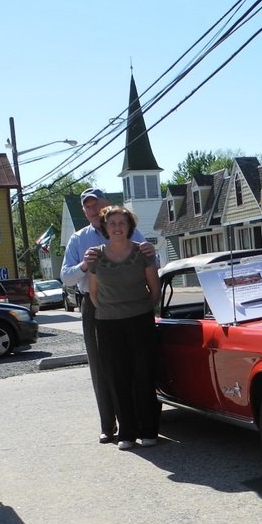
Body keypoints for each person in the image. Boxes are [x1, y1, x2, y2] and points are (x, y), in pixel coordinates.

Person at [61, 188, 155, 444]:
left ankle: (139, 423)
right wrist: (83, 264)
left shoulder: (126, 228)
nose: (92, 210)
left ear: (105, 206)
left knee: (136, 368)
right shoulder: (79, 239)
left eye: (96, 205)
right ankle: (108, 425)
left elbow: (147, 256)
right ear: (84, 211)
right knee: (103, 367)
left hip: (133, 304)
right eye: (87, 207)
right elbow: (66, 276)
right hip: (95, 305)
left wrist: (149, 249)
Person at [86, 206, 161, 450]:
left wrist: (137, 309)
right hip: (108, 324)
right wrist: (112, 311)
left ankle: (149, 430)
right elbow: (94, 294)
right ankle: (126, 433)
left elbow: (155, 290)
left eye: (122, 223)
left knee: (143, 375)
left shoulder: (143, 252)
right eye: (112, 223)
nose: (117, 227)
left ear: (129, 226)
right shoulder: (96, 256)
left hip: (140, 320)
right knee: (118, 378)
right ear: (106, 228)